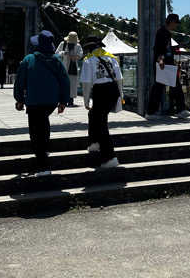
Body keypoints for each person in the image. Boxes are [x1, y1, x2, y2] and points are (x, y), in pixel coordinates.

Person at [13, 30, 69, 176]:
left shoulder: (29, 59)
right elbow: (65, 81)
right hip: (51, 102)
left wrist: (19, 99)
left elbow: (20, 81)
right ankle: (44, 151)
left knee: (35, 130)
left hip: (34, 101)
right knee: (43, 122)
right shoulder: (56, 60)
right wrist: (63, 101)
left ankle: (42, 163)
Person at [80, 35, 122, 169]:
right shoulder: (112, 57)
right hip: (113, 91)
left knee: (101, 124)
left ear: (90, 48)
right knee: (94, 116)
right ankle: (94, 142)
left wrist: (86, 100)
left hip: (100, 91)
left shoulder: (89, 60)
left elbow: (86, 83)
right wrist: (120, 96)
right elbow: (119, 79)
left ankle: (110, 157)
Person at [147, 13, 190, 118]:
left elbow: (164, 49)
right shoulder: (162, 32)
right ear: (171, 22)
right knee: (171, 86)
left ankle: (151, 112)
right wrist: (160, 60)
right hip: (163, 64)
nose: (176, 26)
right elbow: (158, 48)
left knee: (162, 87)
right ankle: (180, 110)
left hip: (166, 63)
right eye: (176, 23)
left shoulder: (166, 32)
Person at [57, 32, 83, 107]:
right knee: (63, 84)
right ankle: (62, 100)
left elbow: (80, 55)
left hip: (73, 67)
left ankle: (71, 101)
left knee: (72, 84)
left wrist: (75, 56)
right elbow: (57, 53)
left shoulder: (78, 45)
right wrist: (64, 53)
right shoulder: (63, 44)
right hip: (64, 67)